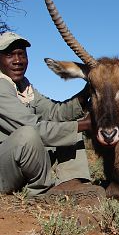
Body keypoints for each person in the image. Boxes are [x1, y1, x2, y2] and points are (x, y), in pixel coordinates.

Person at [0, 32, 105, 201]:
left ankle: (72, 182)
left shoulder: (24, 87)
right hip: (3, 171)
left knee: (67, 123)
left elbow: (55, 113)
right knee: (28, 134)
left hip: (21, 164)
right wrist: (84, 125)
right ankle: (40, 192)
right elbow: (35, 129)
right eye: (9, 55)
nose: (18, 61)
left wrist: (88, 90)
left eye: (22, 54)